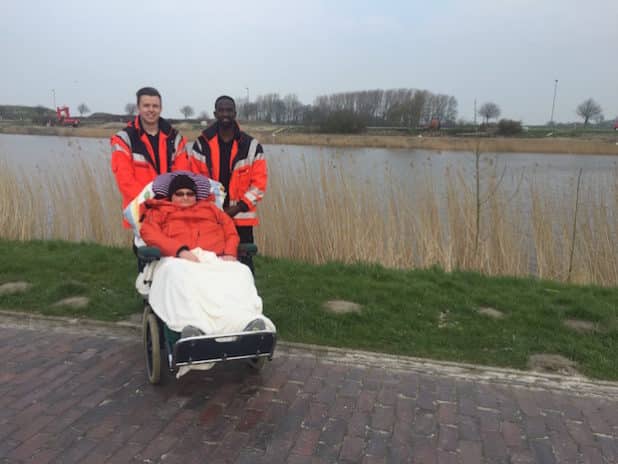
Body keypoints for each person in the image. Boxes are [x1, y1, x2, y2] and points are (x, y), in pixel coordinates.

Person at [190, 96, 267, 273]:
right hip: (210, 217)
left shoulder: (252, 146)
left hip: (242, 219)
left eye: (229, 110)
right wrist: (211, 210)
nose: (225, 114)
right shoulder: (201, 145)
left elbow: (259, 185)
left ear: (235, 113)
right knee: (211, 262)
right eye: (221, 110)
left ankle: (247, 299)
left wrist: (237, 208)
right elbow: (194, 181)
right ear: (215, 113)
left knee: (244, 266)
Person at [111, 87, 190, 228]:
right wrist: (151, 203)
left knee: (172, 249)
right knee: (145, 250)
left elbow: (182, 175)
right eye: (146, 105)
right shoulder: (124, 139)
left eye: (155, 106)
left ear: (161, 108)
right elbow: (125, 180)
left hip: (171, 211)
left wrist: (168, 204)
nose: (151, 110)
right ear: (138, 108)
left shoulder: (176, 138)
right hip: (141, 212)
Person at [140, 174, 239, 261]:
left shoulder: (211, 209)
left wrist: (230, 252)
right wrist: (180, 251)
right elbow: (150, 233)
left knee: (242, 274)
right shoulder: (159, 211)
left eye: (190, 194)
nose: (185, 197)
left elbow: (230, 231)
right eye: (179, 194)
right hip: (175, 259)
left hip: (217, 258)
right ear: (171, 196)